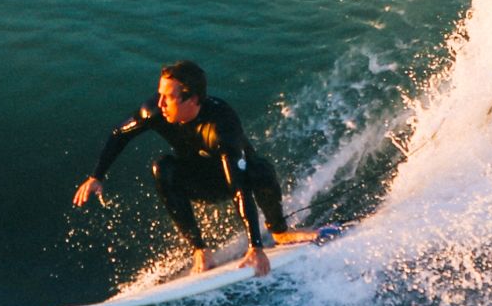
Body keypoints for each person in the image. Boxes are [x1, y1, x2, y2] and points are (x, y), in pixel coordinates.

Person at [71, 60, 312, 276]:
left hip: (235, 179)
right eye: (159, 94)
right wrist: (97, 176)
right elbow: (119, 135)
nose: (161, 103)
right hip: (198, 181)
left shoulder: (221, 125)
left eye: (169, 97)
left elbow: (238, 188)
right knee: (162, 167)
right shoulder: (155, 111)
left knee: (260, 169)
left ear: (193, 99)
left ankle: (280, 231)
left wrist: (255, 247)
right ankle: (200, 248)